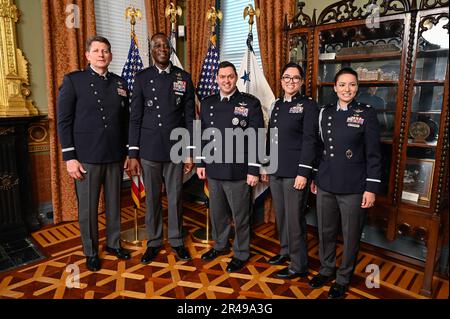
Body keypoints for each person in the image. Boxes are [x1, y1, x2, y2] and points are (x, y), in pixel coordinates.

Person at [57, 36, 131, 272]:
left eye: (105, 51)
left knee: (114, 204)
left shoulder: (120, 83)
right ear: (87, 55)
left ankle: (113, 243)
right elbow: (64, 121)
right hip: (86, 157)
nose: (101, 54)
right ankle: (90, 251)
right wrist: (70, 157)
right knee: (88, 207)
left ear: (110, 56)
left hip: (115, 155)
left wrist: (129, 151)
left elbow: (126, 120)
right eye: (96, 50)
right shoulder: (73, 81)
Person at [308, 67, 382, 299]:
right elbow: (319, 149)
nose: (346, 89)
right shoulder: (325, 112)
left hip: (353, 186)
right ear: (335, 87)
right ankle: (327, 269)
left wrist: (371, 188)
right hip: (326, 182)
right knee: (326, 231)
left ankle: (343, 277)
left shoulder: (366, 113)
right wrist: (315, 177)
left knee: (350, 235)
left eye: (351, 84)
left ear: (357, 88)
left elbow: (374, 154)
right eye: (342, 84)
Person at [128, 33, 195, 264]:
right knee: (153, 198)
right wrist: (133, 153)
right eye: (157, 45)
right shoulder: (141, 78)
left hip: (176, 148)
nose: (162, 48)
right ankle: (154, 241)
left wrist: (189, 150)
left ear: (170, 49)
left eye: (165, 45)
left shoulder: (183, 77)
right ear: (151, 50)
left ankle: (176, 240)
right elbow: (135, 117)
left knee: (176, 197)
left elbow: (189, 118)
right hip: (149, 149)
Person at [196, 61, 264, 273]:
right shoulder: (207, 102)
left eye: (230, 76)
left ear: (236, 78)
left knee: (240, 215)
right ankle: (220, 245)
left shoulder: (249, 103)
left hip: (239, 170)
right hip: (214, 168)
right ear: (217, 79)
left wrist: (254, 169)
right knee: (217, 213)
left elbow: (258, 137)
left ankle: (241, 252)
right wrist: (200, 162)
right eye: (222, 76)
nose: (226, 80)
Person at [261, 62, 319, 279]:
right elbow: (271, 139)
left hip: (295, 172)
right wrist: (266, 164)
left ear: (301, 82)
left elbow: (310, 140)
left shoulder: (308, 105)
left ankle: (299, 264)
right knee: (282, 215)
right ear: (282, 80)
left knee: (295, 219)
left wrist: (304, 173)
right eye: (287, 77)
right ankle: (285, 252)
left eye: (295, 78)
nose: (291, 81)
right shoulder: (277, 105)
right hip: (277, 169)